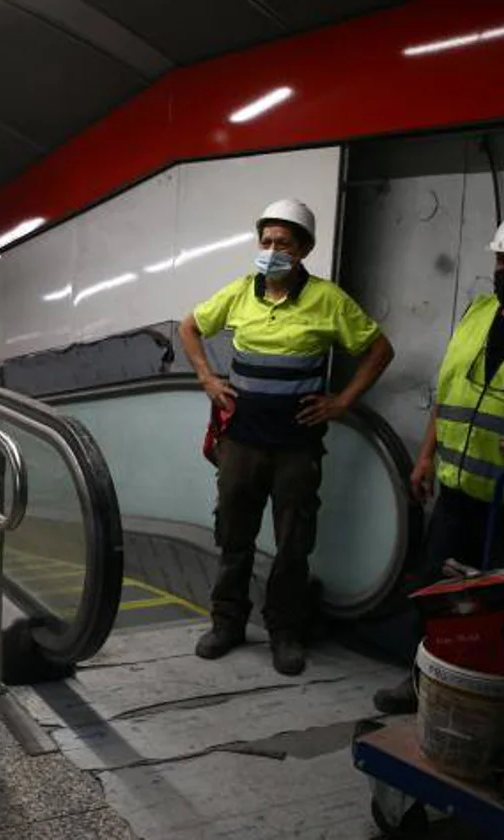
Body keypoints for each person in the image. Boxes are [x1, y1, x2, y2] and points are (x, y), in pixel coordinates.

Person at [179, 199, 395, 676]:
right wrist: (206, 378)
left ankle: (284, 631)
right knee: (234, 534)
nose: (272, 250)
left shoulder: (328, 300)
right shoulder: (240, 292)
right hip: (241, 442)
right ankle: (227, 623)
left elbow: (380, 349)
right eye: (267, 241)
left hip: (297, 447)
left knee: (294, 542)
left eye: (283, 243)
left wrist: (343, 402)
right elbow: (190, 327)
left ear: (305, 250)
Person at [373, 207, 504, 714]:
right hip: (456, 492)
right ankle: (418, 683)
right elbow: (449, 392)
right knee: (436, 592)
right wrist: (425, 456)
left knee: (499, 613)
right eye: (502, 261)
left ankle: (489, 704)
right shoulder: (478, 313)